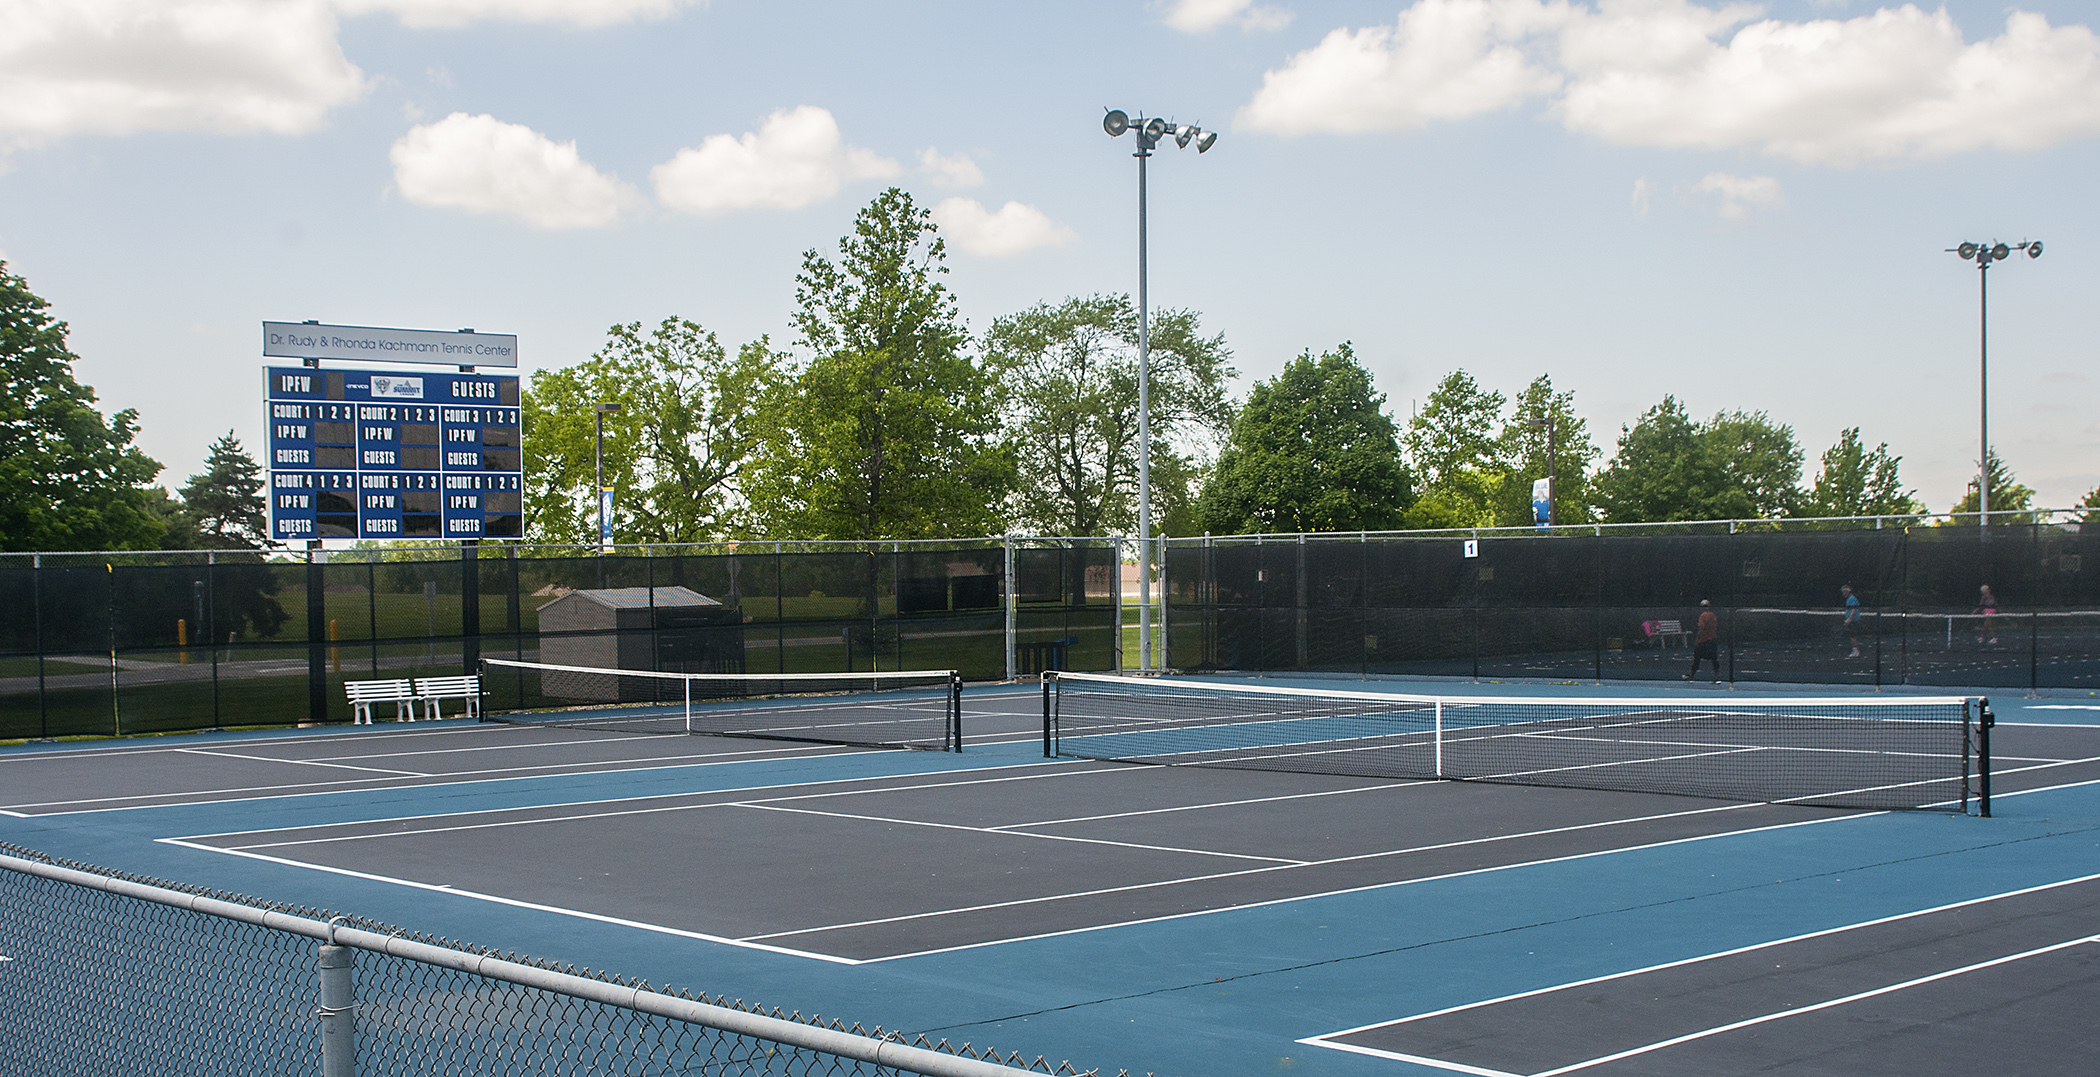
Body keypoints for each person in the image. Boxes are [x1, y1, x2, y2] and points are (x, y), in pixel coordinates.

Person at [1685, 599, 1721, 683]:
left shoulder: (1703, 616)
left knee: (1697, 658)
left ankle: (1692, 676)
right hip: (1712, 639)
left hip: (1704, 640)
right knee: (1714, 659)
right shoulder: (1713, 615)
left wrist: (1698, 638)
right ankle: (1716, 676)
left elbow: (1701, 628)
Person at [1841, 584, 1862, 659]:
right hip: (1852, 620)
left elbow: (1853, 609)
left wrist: (1849, 619)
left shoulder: (1852, 598)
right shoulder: (1849, 599)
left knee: (1852, 636)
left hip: (1853, 621)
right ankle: (1855, 650)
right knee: (1852, 636)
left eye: (1844, 592)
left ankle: (1855, 651)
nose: (1843, 593)